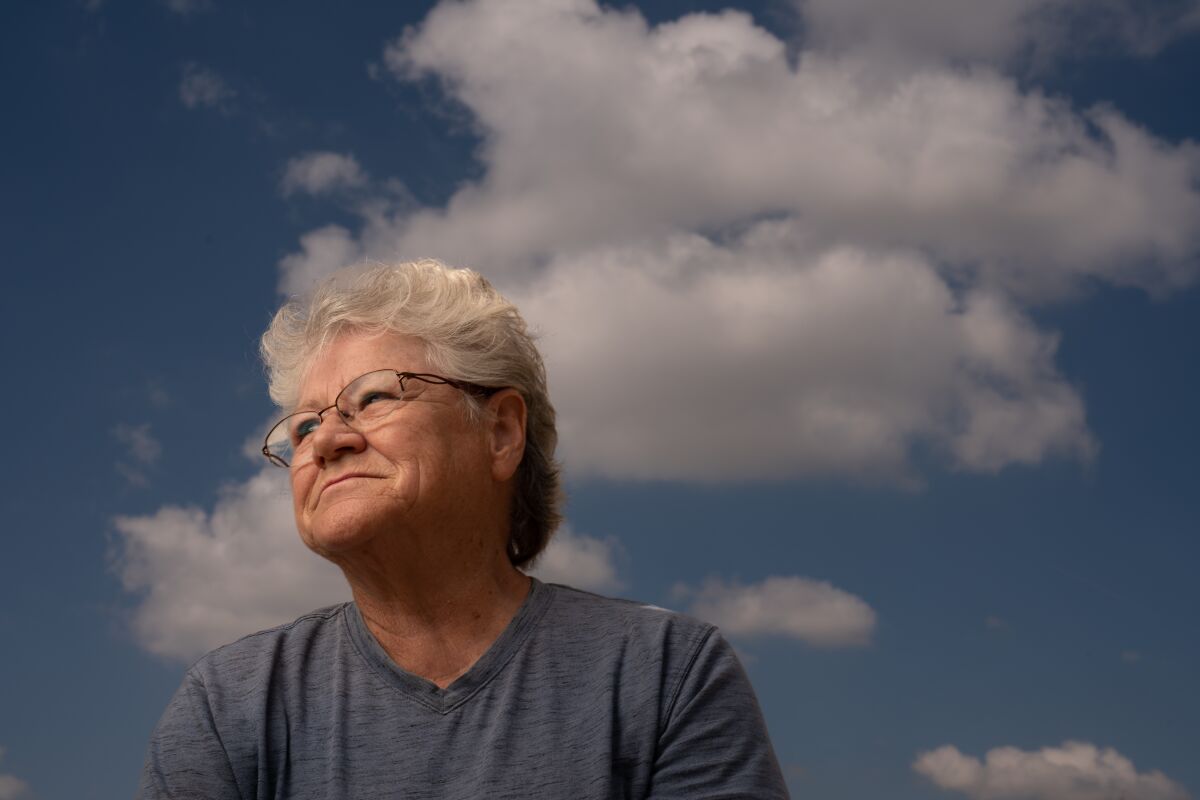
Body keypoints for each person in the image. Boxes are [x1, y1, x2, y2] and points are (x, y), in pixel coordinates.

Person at [137, 259, 789, 799]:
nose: (327, 440)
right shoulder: (228, 704)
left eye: (372, 398)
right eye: (303, 426)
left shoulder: (667, 673)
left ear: (502, 431)